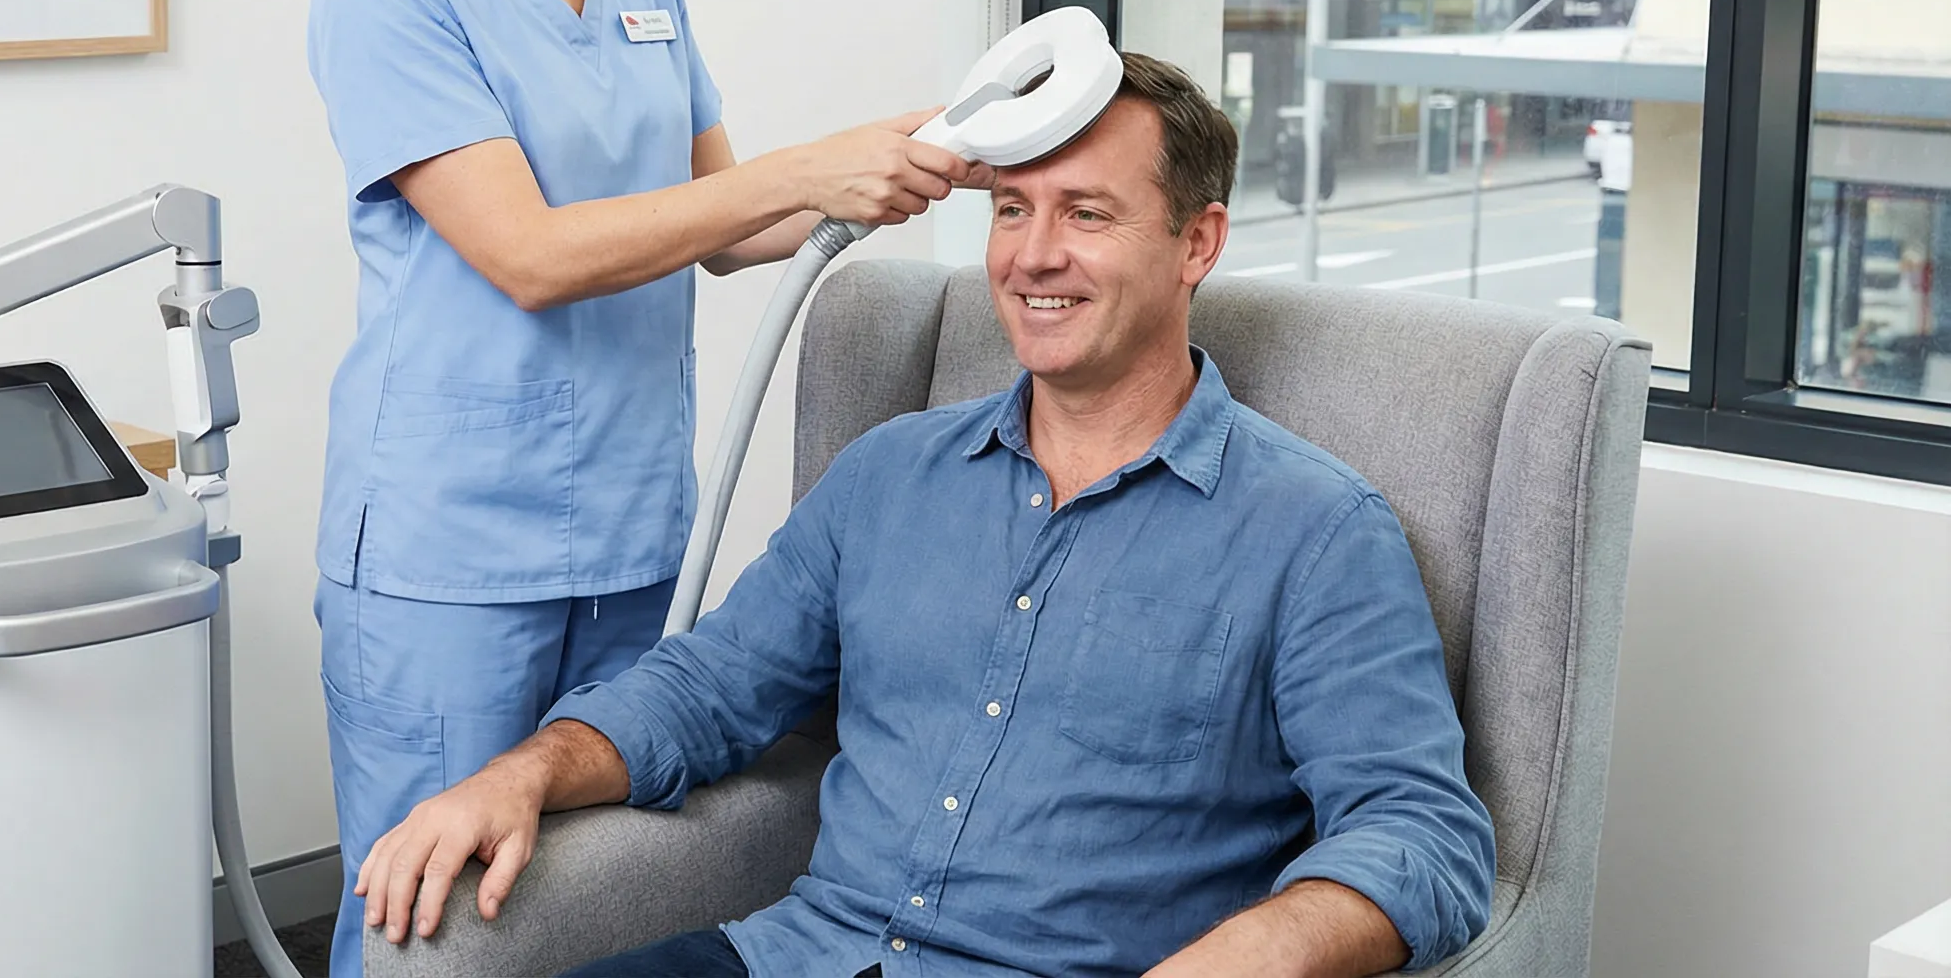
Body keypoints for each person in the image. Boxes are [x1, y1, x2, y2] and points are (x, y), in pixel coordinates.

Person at [354, 54, 1498, 978]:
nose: (1035, 255)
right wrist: (524, 772)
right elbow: (706, 689)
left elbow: (1424, 839)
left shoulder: (1314, 533)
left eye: (1086, 213)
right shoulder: (888, 476)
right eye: (1011, 210)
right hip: (794, 958)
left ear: (1196, 241)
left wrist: (1254, 951)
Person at [307, 0, 983, 976]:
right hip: (453, 552)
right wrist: (802, 171)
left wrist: (917, 157)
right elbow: (531, 256)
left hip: (628, 526)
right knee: (430, 919)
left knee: (585, 913)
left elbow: (725, 221)